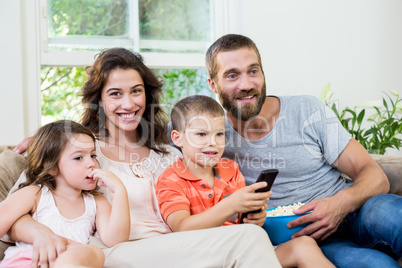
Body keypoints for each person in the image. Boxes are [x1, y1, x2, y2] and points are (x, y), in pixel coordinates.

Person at [7, 48, 280, 268]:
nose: (129, 104)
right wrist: (42, 234)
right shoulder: (80, 154)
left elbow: (204, 204)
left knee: (250, 235)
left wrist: (243, 215)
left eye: (136, 91)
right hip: (118, 253)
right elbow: (16, 211)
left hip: (179, 248)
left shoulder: (171, 153)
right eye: (115, 94)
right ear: (99, 100)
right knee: (248, 239)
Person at [204, 33, 402, 267]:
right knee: (377, 265)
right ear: (213, 84)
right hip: (313, 243)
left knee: (392, 215)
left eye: (253, 71)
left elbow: (375, 175)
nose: (246, 85)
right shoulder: (208, 136)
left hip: (355, 212)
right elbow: (157, 136)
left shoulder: (307, 110)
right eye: (232, 75)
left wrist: (339, 204)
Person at [156, 95, 334, 268]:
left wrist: (255, 219)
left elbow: (241, 224)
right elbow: (182, 228)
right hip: (206, 257)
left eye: (219, 134)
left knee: (304, 245)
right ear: (177, 138)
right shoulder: (171, 180)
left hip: (243, 250)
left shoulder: (230, 169)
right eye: (201, 134)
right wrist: (231, 205)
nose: (213, 142)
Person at [0, 120, 130, 268]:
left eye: (93, 155)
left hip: (71, 259)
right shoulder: (35, 194)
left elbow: (116, 240)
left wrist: (120, 191)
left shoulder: (97, 203)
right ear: (51, 167)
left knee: (94, 252)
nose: (92, 163)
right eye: (78, 158)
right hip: (32, 260)